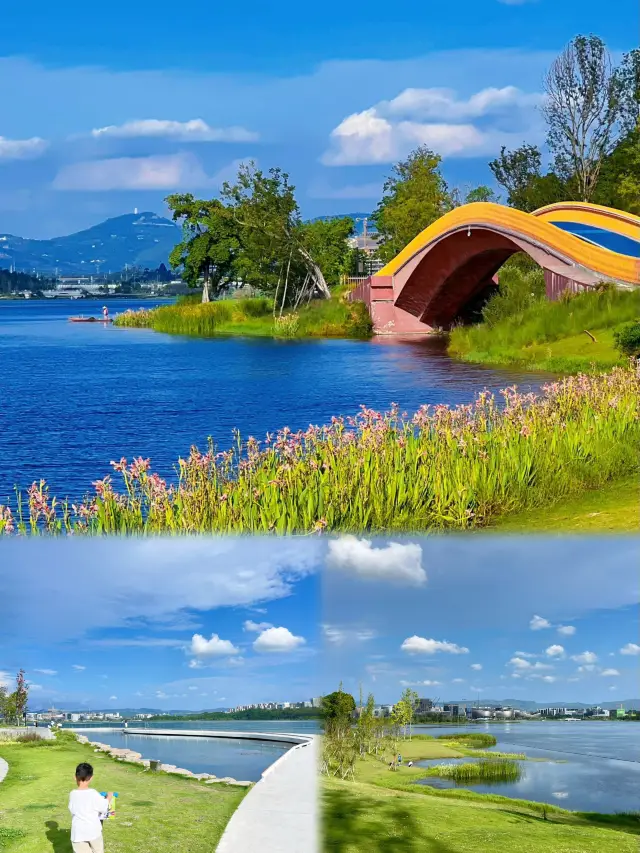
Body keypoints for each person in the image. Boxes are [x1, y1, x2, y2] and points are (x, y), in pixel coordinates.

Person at [68, 762, 113, 853]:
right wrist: (109, 797)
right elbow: (104, 807)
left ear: (75, 777)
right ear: (91, 777)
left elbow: (72, 809)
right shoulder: (93, 793)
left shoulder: (72, 794)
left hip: (78, 834)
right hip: (93, 832)